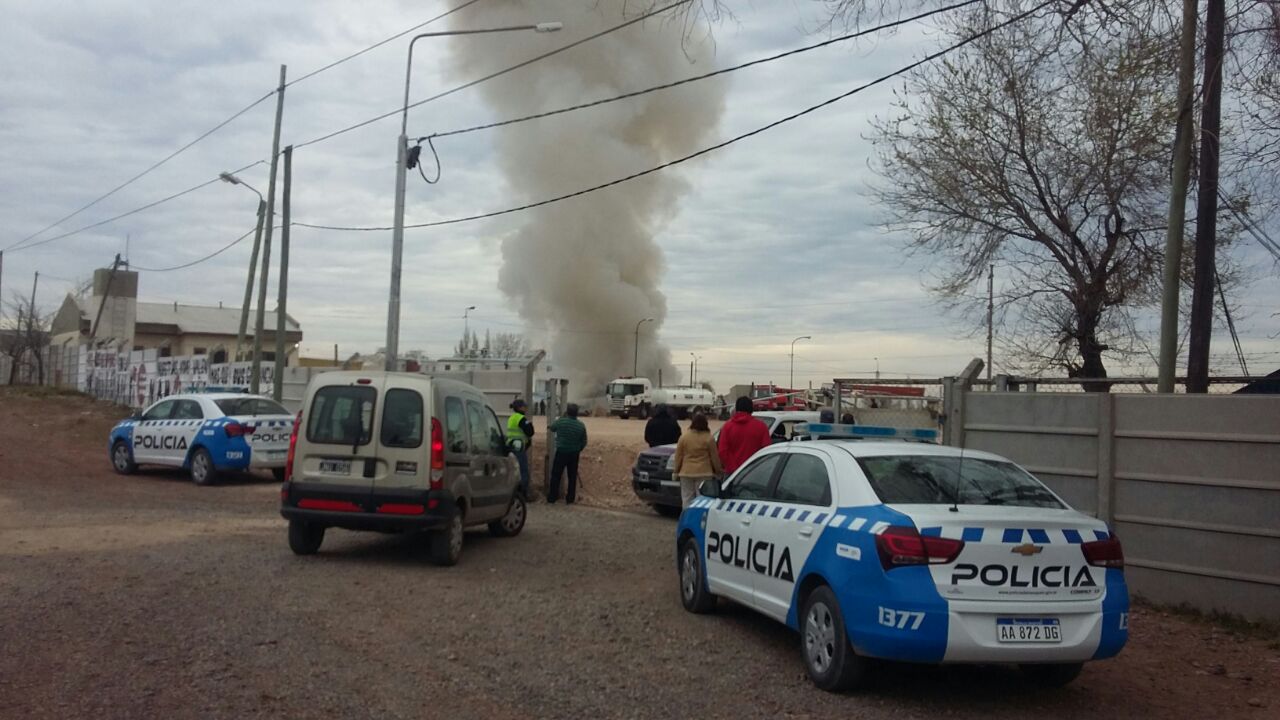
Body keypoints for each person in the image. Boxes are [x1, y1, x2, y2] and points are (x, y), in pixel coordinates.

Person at [673, 412, 722, 508]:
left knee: (687, 498)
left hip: (686, 472)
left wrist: (676, 471)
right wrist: (718, 471)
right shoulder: (709, 438)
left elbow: (678, 456)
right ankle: (698, 520)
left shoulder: (684, 437)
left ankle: (687, 518)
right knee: (702, 499)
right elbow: (714, 457)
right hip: (704, 472)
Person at [717, 396, 772, 475]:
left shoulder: (727, 427)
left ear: (736, 409)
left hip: (732, 473)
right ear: (751, 409)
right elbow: (766, 451)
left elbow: (722, 451)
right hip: (754, 472)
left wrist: (733, 468)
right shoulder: (761, 427)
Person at [548, 403, 588, 504]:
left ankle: (552, 497)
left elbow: (552, 428)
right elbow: (584, 441)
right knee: (572, 476)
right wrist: (578, 449)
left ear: (567, 411)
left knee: (556, 475)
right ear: (577, 413)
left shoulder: (561, 422)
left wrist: (562, 417)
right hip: (574, 454)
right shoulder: (580, 425)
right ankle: (570, 499)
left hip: (561, 452)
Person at [507, 399, 535, 497]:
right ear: (519, 407)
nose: (526, 408)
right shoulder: (520, 418)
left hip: (512, 446)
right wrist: (530, 424)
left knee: (513, 470)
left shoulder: (512, 417)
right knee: (523, 471)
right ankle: (523, 494)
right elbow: (530, 432)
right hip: (518, 448)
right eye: (524, 406)